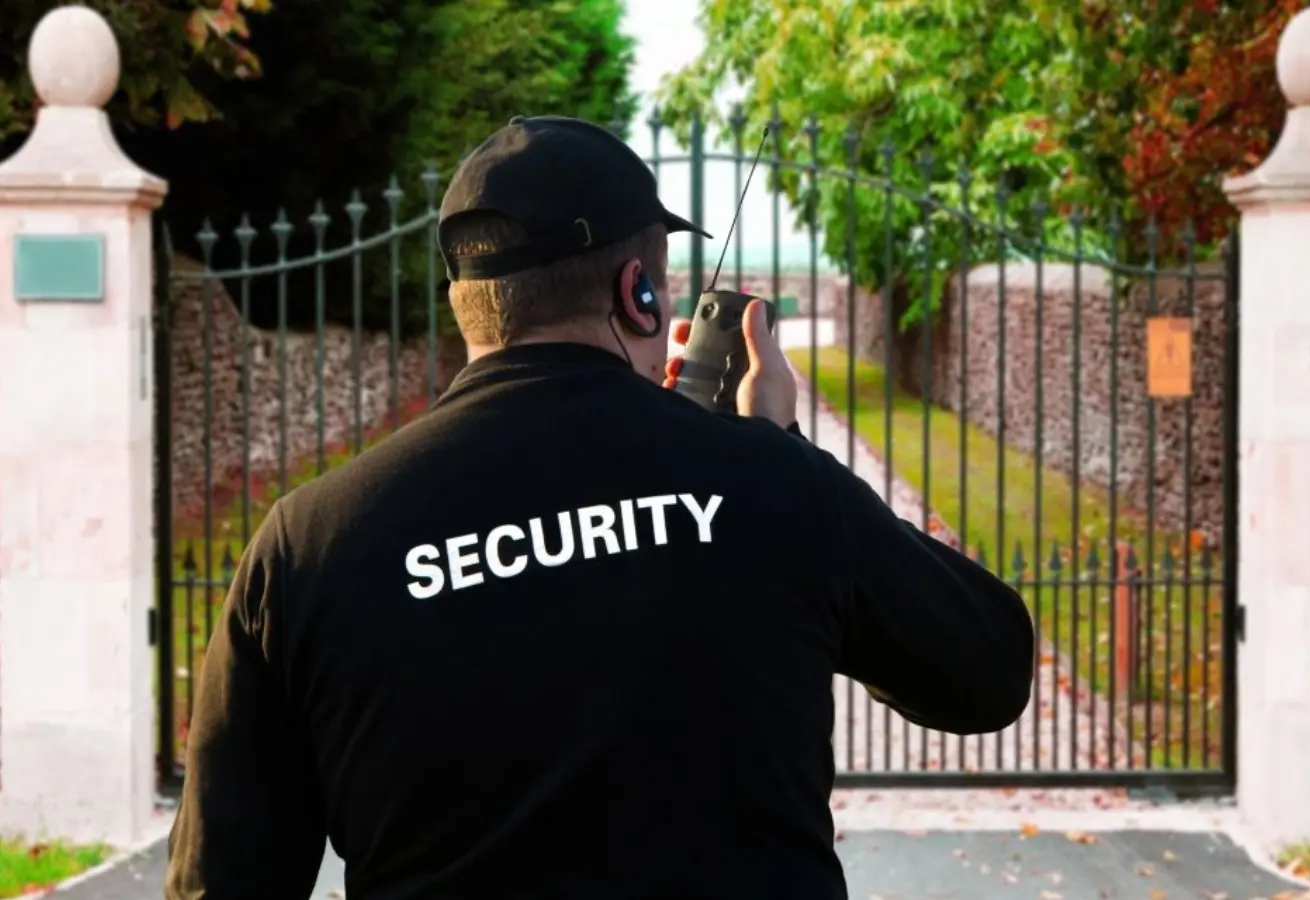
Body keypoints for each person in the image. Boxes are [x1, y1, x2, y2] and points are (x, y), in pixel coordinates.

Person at [165, 115, 1035, 900]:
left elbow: (220, 886)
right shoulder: (775, 482)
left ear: (468, 305)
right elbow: (990, 667)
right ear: (639, 293)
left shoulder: (308, 546)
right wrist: (775, 450)